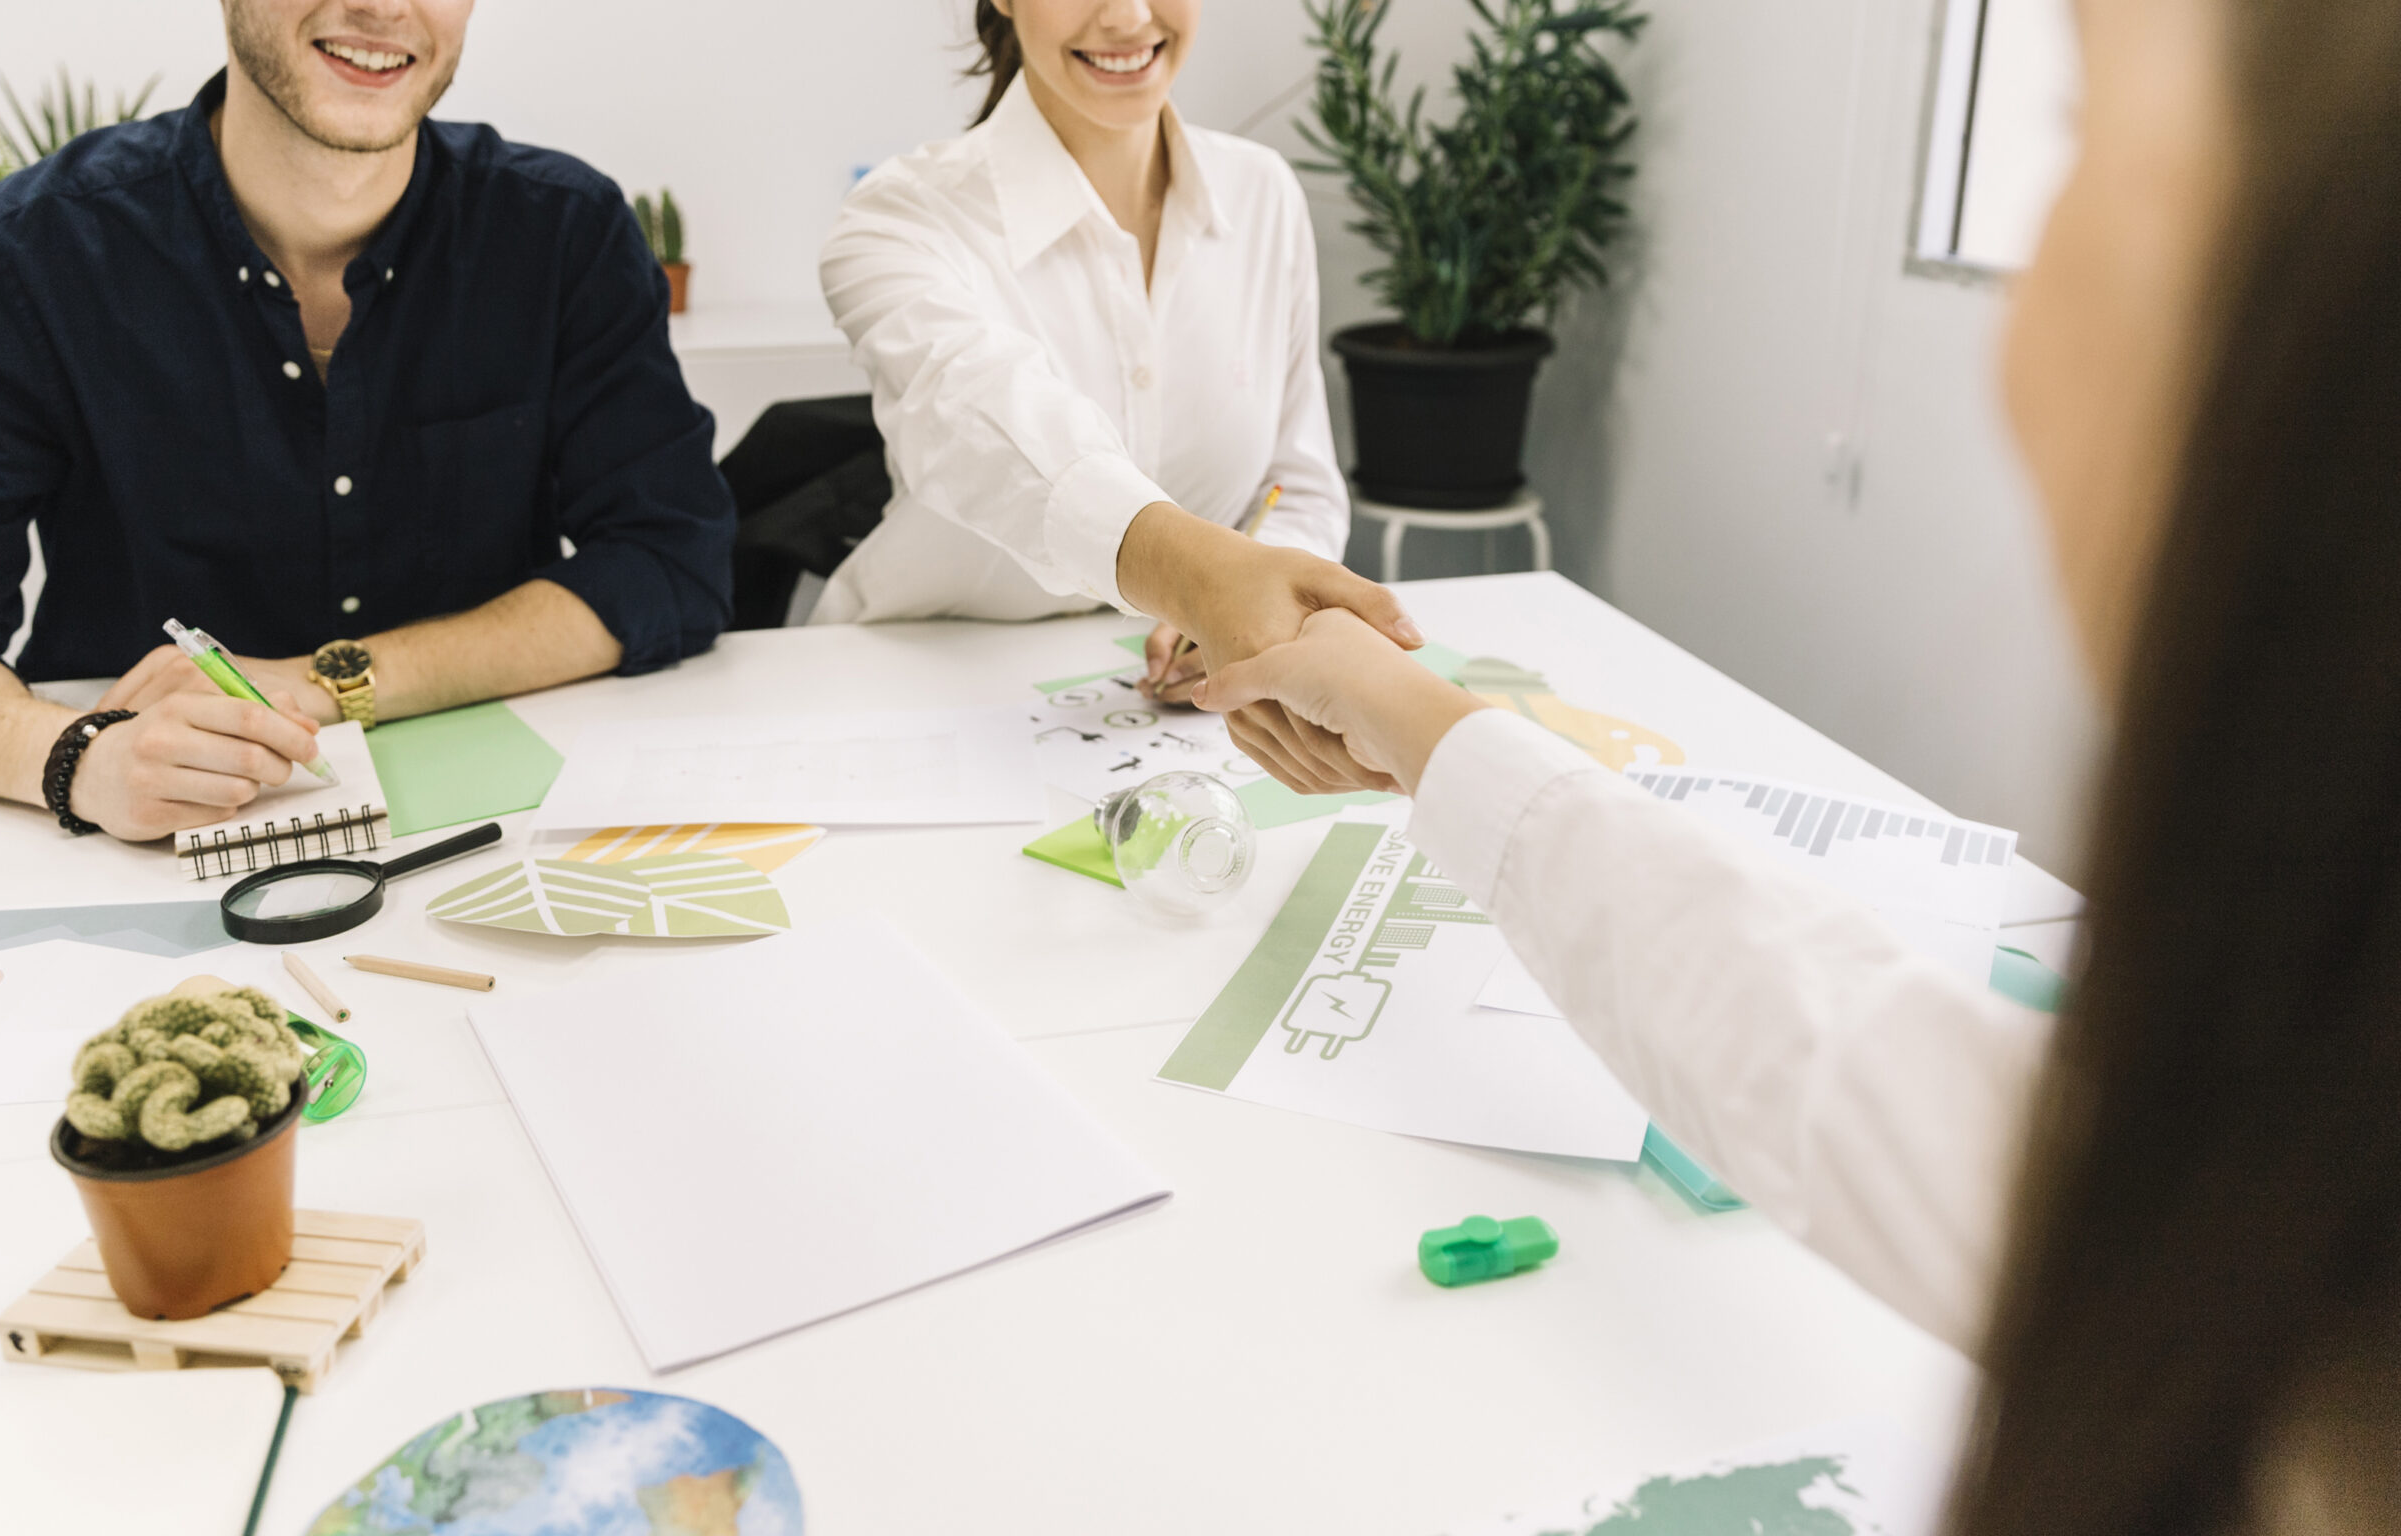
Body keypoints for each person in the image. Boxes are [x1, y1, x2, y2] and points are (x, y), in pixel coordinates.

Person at [1196, 0, 2401, 1530]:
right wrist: (1427, 727)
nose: (2019, 343)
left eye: (2078, 131)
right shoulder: (2269, 1187)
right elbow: (1853, 1065)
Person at [0, 0, 735, 842]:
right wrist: (83, 757)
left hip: (491, 824)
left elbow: (666, 557)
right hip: (131, 835)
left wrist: (323, 685)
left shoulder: (561, 231)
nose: (385, 9)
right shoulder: (21, 256)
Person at [816, 0, 1418, 796]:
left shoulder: (1261, 194)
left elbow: (1294, 480)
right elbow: (979, 423)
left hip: (1181, 727)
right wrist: (1202, 581)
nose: (1130, 17)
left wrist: (1252, 617)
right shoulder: (898, 220)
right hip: (922, 697)